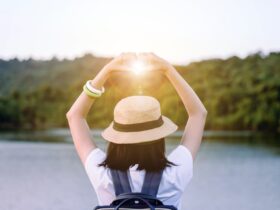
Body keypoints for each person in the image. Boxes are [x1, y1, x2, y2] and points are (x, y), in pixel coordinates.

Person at [66, 53, 207, 210]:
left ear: (116, 138)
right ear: (159, 137)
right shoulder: (176, 172)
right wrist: (168, 70)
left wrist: (107, 71)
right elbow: (198, 114)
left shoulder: (102, 174)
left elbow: (74, 116)